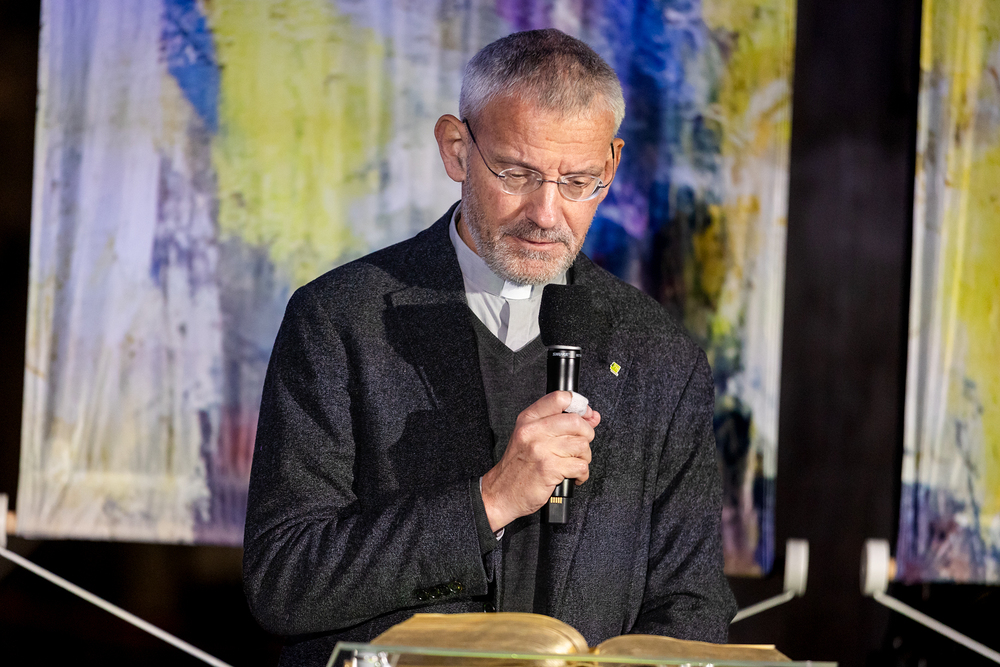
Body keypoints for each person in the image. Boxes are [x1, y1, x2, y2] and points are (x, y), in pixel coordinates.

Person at [243, 28, 736, 666]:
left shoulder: (658, 354)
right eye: (517, 173)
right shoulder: (338, 318)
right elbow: (284, 581)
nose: (546, 213)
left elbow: (693, 607)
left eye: (578, 180)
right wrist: (491, 500)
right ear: (456, 149)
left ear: (612, 165)